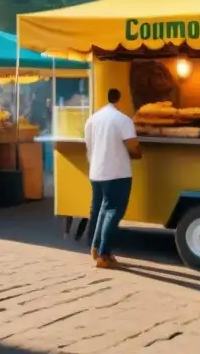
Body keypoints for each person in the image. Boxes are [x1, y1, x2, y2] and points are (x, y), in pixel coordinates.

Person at [84, 88, 142, 269]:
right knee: (113, 211)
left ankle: (96, 248)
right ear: (120, 99)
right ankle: (104, 254)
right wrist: (139, 153)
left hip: (96, 172)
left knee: (102, 210)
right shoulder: (123, 120)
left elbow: (88, 145)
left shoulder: (92, 119)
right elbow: (133, 147)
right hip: (117, 173)